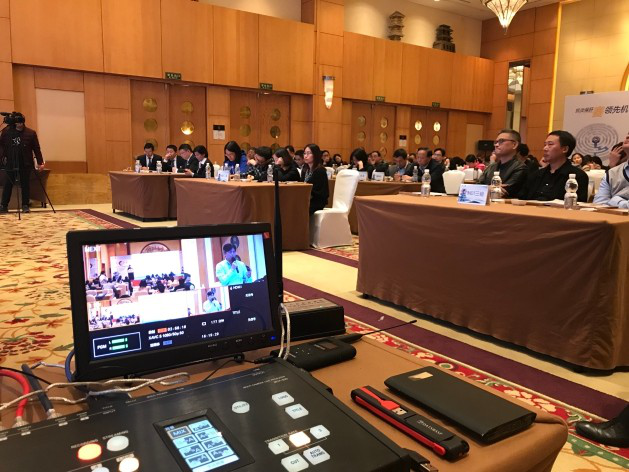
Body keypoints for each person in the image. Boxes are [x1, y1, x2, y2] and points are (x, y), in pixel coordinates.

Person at [519, 130, 588, 202]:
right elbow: (522, 199)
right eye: (545, 145)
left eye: (550, 144)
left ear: (565, 149)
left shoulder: (578, 176)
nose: (545, 148)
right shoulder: (536, 175)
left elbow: (578, 205)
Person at [0, 112, 45, 213]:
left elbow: (36, 148)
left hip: (26, 162)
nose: (19, 124)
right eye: (17, 122)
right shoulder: (7, 131)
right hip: (11, 162)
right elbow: (1, 145)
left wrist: (40, 162)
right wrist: (3, 156)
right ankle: (4, 205)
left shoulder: (31, 133)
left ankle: (25, 205)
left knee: (25, 184)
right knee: (8, 184)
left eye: (21, 122)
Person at [478, 129, 527, 198]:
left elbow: (504, 191)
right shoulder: (491, 167)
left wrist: (486, 189)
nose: (496, 145)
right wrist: (489, 189)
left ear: (514, 145)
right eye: (496, 142)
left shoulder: (521, 168)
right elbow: (476, 187)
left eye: (501, 141)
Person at [593, 131, 629, 208]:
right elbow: (598, 204)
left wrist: (615, 200)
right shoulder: (611, 173)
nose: (627, 137)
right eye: (628, 135)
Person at [300, 143, 329, 214]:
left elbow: (321, 193)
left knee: (297, 208)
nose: (305, 156)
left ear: (315, 155)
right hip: (307, 199)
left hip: (316, 201)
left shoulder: (320, 170)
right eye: (304, 153)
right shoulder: (305, 170)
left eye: (309, 153)